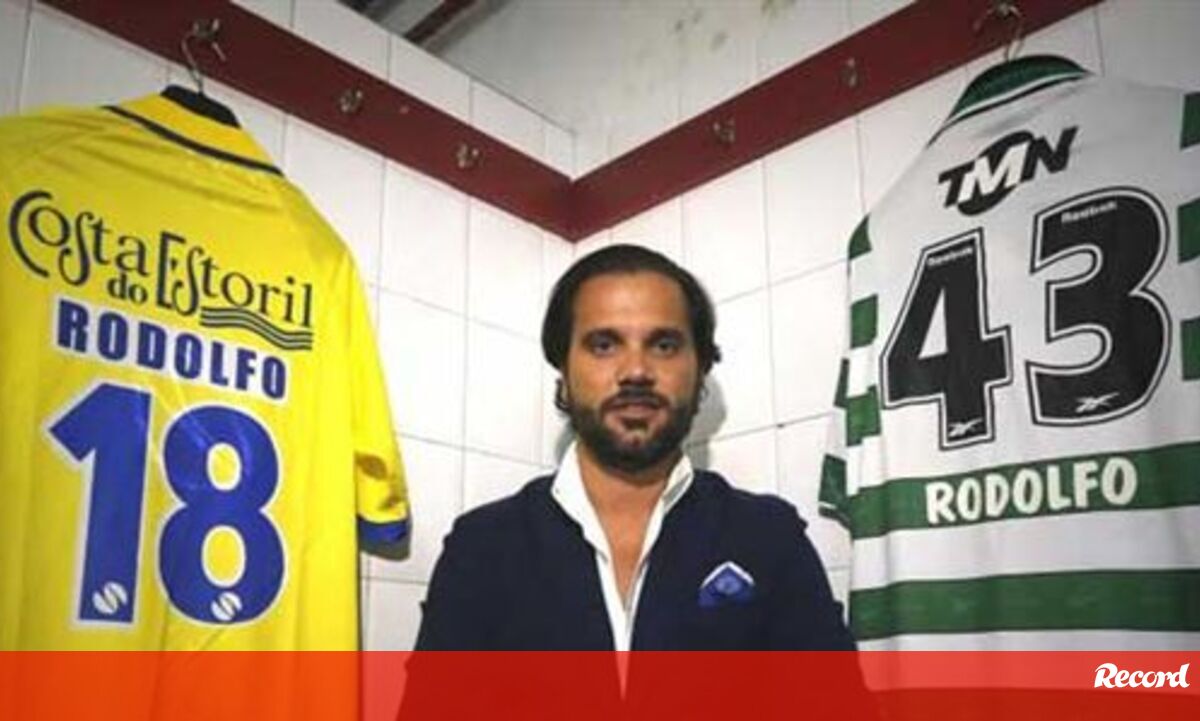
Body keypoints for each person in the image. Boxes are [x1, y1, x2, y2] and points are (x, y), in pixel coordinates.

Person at [413, 244, 854, 652]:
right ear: (563, 372)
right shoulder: (481, 548)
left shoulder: (769, 539)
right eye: (604, 345)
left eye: (664, 345)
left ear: (700, 370)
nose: (636, 371)